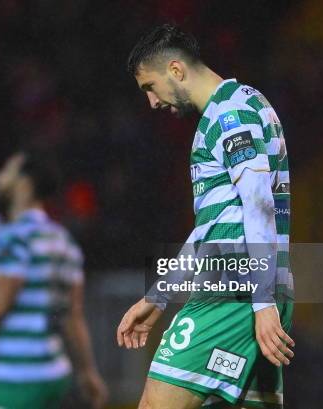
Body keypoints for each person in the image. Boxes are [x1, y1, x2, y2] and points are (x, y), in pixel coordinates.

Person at [116, 24, 295, 409]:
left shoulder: (231, 112)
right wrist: (158, 296)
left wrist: (261, 304)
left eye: (150, 87)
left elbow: (258, 202)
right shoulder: (230, 110)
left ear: (176, 70)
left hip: (234, 292)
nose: (153, 103)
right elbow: (209, 230)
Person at [0, 152, 108, 409]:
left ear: (24, 184)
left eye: (8, 170)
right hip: (55, 372)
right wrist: (87, 371)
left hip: (17, 374)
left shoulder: (12, 238)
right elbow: (72, 316)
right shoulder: (64, 241)